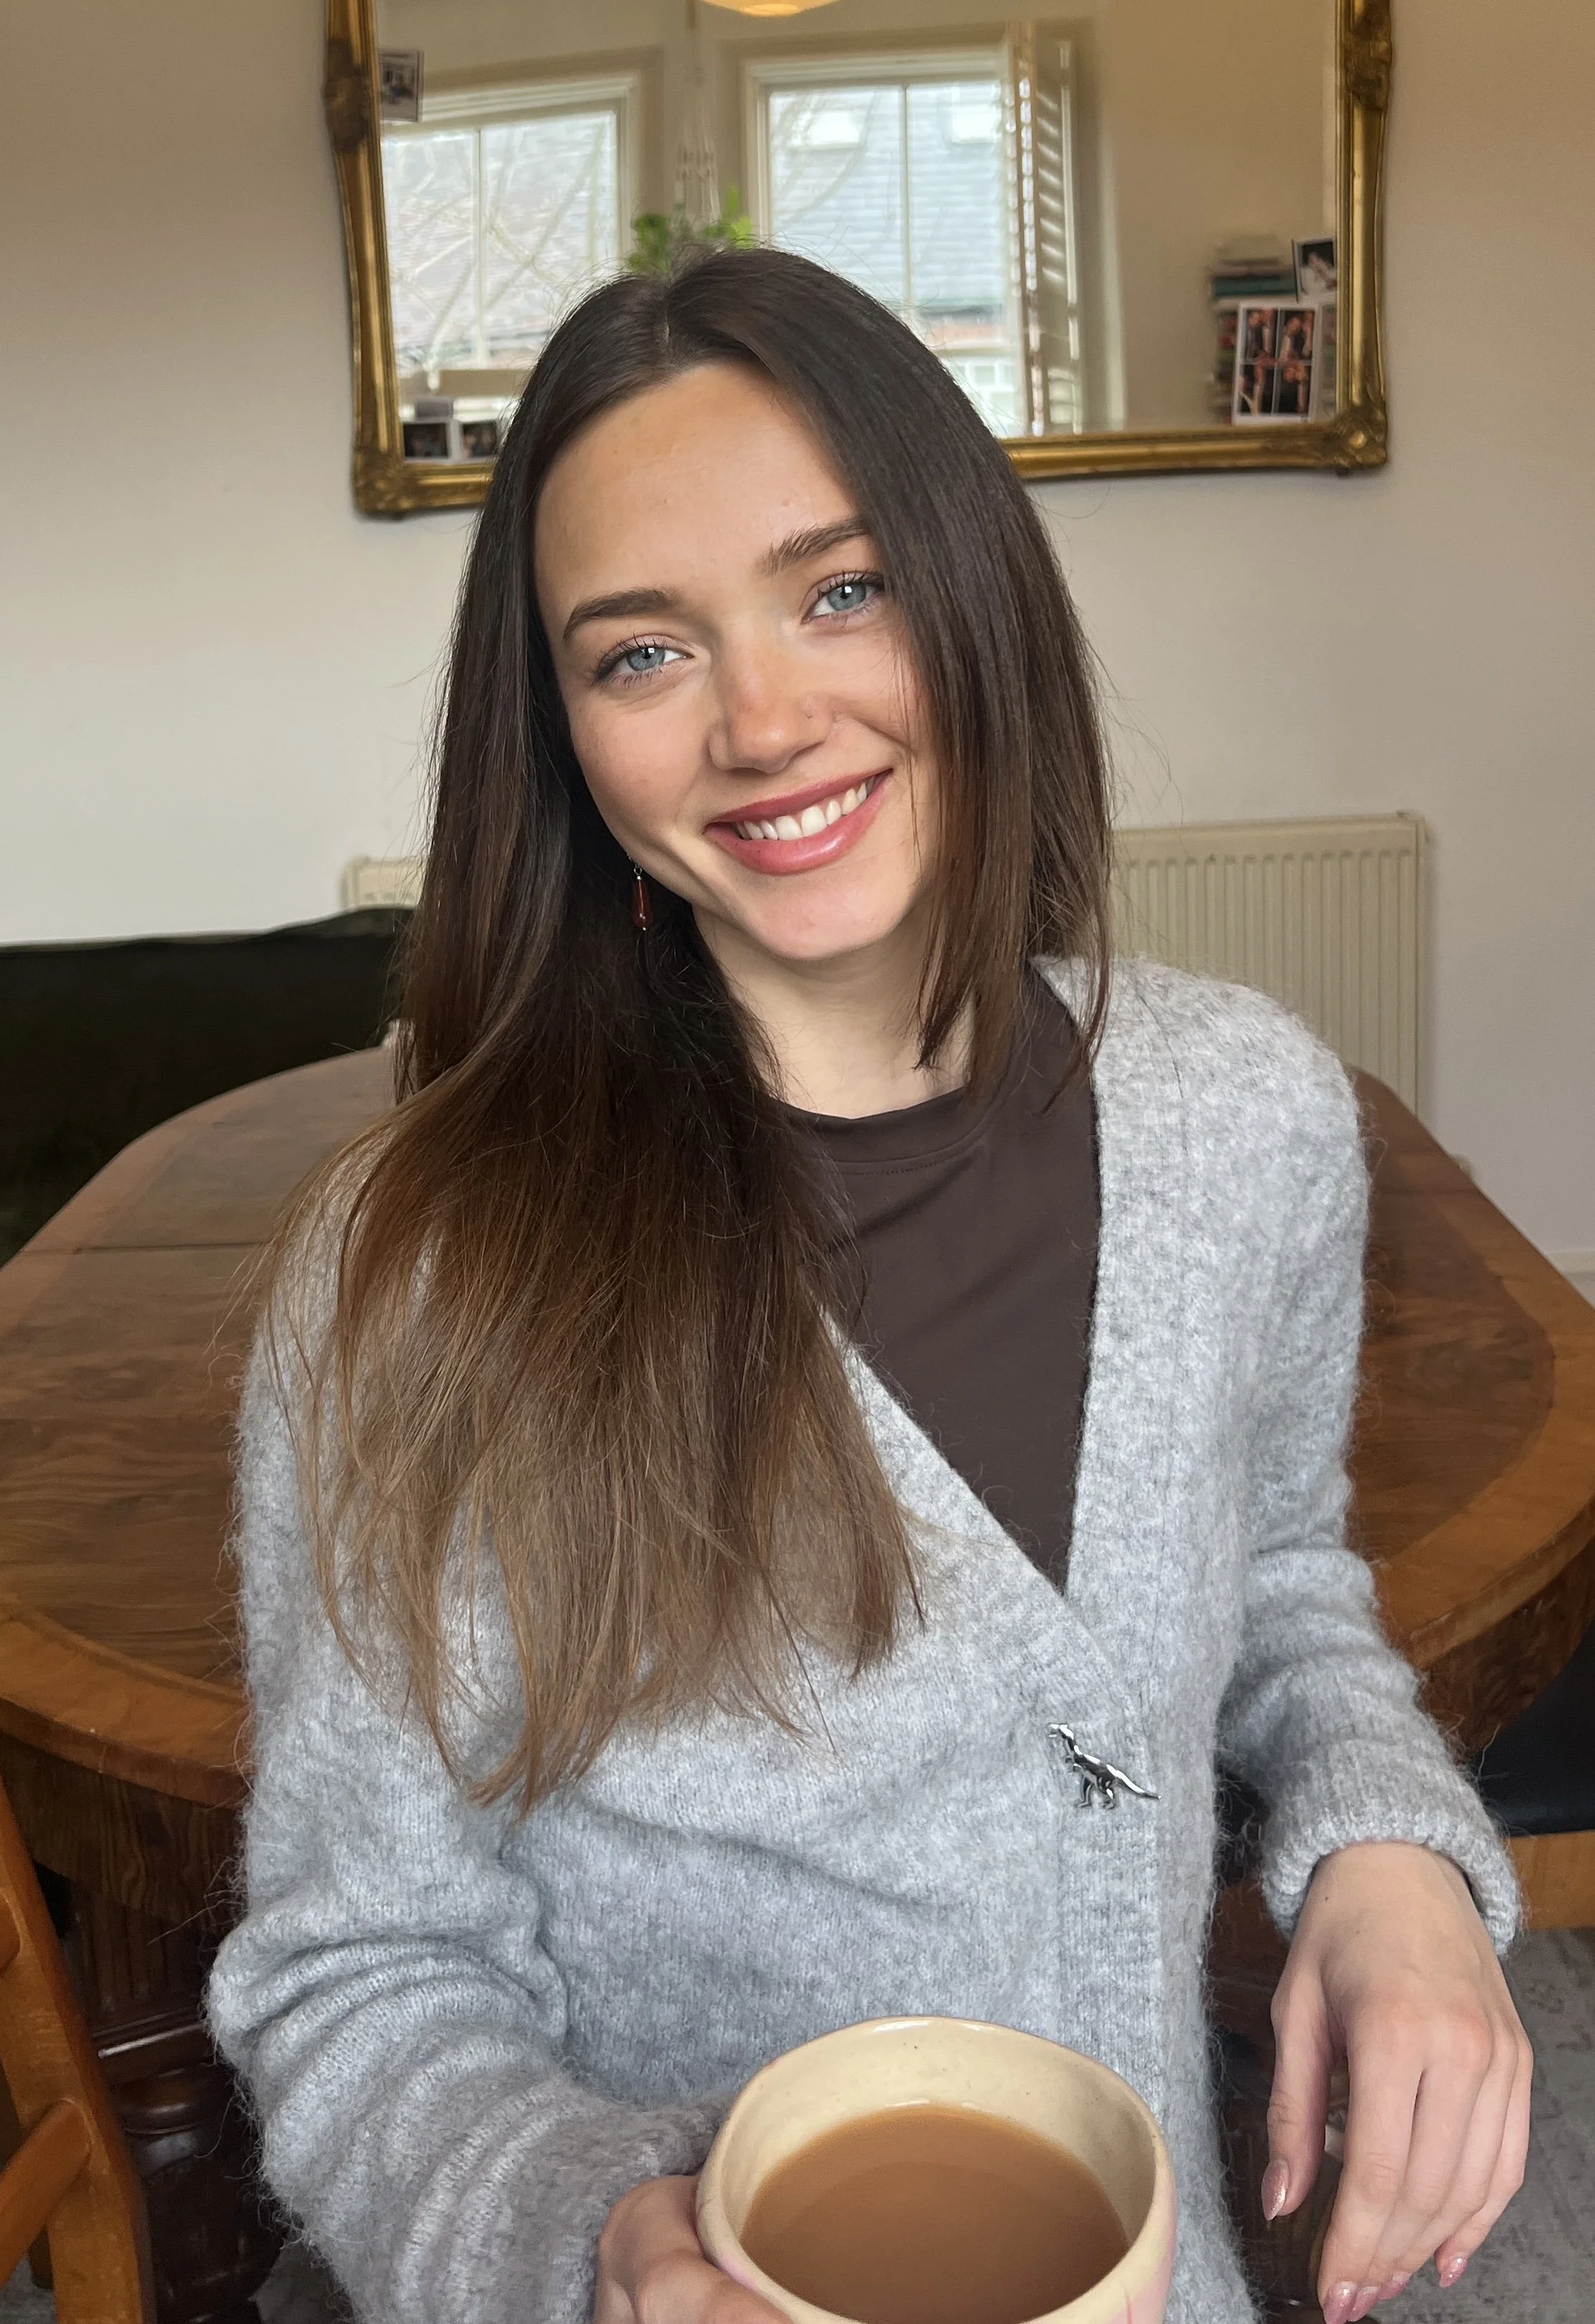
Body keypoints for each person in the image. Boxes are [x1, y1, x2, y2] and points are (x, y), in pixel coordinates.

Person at [208, 249, 1529, 2324]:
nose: (762, 721)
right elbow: (360, 1971)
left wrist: (1387, 1849)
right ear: (563, 741)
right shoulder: (417, 1294)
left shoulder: (1252, 1114)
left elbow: (1275, 1582)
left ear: (972, 593)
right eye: (642, 653)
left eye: (840, 591)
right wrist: (595, 2237)